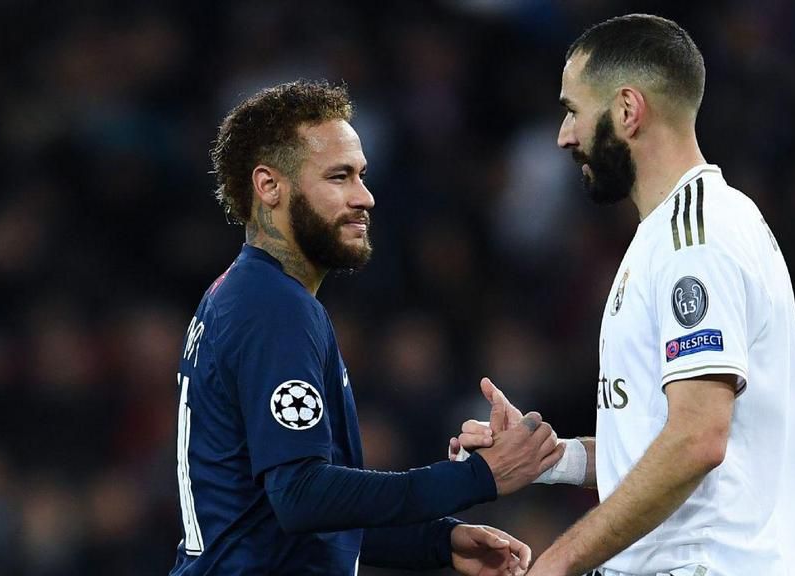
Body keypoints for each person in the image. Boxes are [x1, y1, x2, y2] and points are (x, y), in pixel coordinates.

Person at [451, 14, 795, 576]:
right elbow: (668, 440)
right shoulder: (675, 234)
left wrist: (559, 562)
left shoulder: (696, 238)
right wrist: (552, 459)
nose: (564, 135)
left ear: (626, 110)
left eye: (573, 110)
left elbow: (698, 439)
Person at [171, 80, 564, 576]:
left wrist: (435, 542)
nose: (365, 197)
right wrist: (478, 478)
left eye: (361, 175)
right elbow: (301, 496)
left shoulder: (243, 295)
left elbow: (275, 518)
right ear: (269, 186)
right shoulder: (271, 307)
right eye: (339, 177)